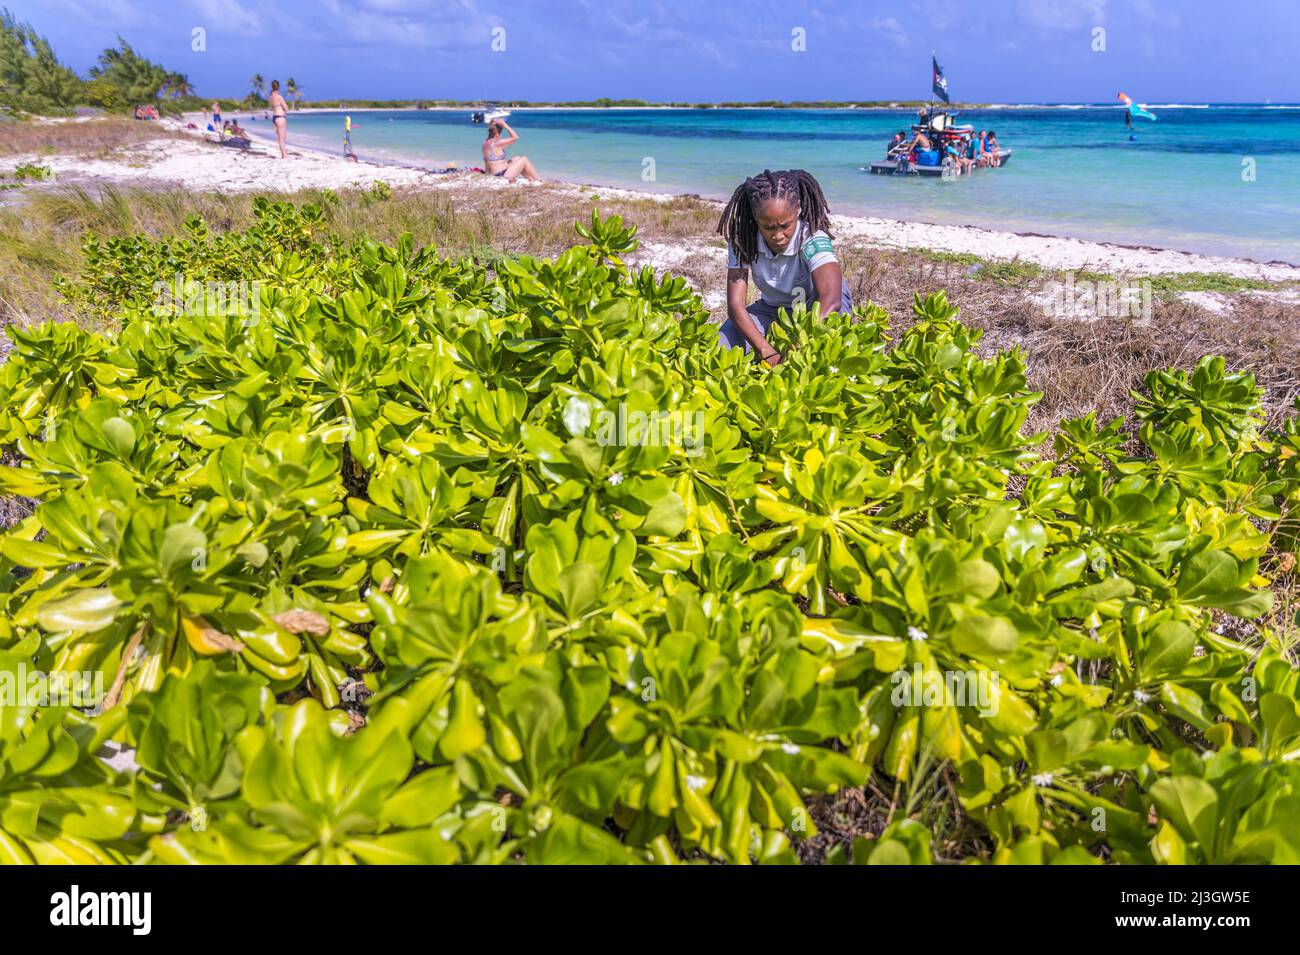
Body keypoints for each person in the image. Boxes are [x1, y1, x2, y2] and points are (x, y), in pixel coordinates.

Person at [716, 169, 852, 366]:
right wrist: (766, 351)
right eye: (768, 227)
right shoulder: (742, 240)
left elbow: (831, 301)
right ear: (755, 217)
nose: (778, 235)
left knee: (826, 348)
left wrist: (795, 348)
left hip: (817, 309)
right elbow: (735, 305)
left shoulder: (812, 236)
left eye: (785, 226)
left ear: (797, 209)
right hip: (772, 308)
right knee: (722, 345)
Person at [268, 79, 289, 159]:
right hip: (281, 117)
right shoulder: (279, 97)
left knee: (281, 137)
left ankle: (284, 155)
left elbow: (272, 107)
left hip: (275, 117)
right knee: (282, 138)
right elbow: (286, 108)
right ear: (278, 87)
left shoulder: (270, 97)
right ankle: (284, 155)